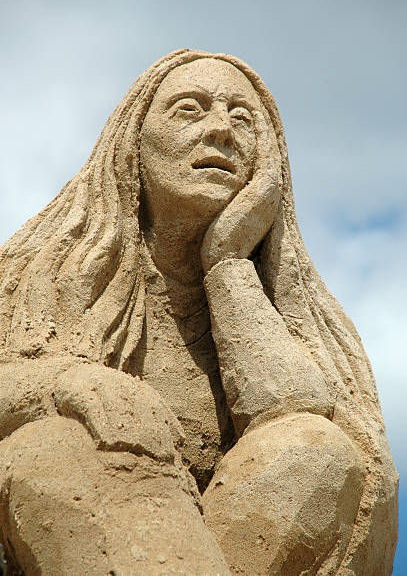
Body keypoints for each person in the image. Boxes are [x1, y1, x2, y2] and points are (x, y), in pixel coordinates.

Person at [0, 50, 398, 575]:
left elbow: (310, 423)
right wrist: (65, 384)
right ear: (132, 146)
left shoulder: (297, 309)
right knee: (55, 446)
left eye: (242, 119)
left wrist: (228, 262)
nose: (221, 132)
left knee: (316, 448)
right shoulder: (44, 265)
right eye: (190, 109)